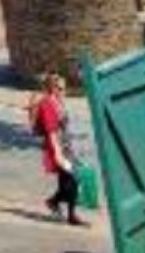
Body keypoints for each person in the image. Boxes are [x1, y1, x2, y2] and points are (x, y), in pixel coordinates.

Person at [29, 73, 87, 226]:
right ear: (52, 88)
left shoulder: (57, 102)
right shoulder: (47, 104)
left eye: (64, 89)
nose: (64, 92)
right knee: (73, 180)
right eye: (60, 89)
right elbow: (51, 131)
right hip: (57, 148)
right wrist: (58, 154)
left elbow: (63, 126)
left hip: (66, 146)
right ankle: (64, 210)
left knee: (66, 182)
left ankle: (60, 207)